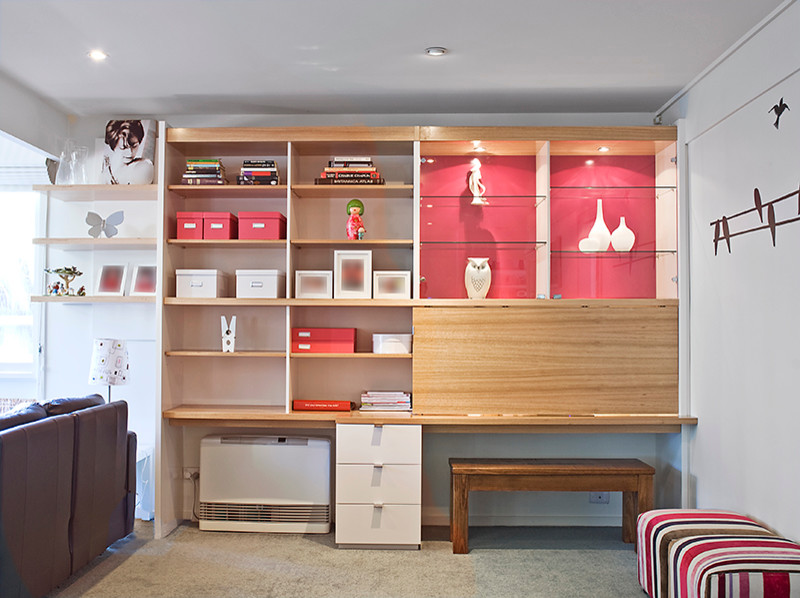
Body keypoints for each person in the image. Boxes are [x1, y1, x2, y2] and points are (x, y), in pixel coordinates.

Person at [100, 120, 154, 185]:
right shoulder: (106, 169)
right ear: (113, 145)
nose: (130, 153)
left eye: (134, 146)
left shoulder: (143, 165)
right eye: (123, 148)